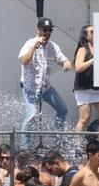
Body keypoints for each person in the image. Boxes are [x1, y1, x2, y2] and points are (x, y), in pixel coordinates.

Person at [18, 17, 72, 149]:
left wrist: (66, 64)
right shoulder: (30, 43)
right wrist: (35, 46)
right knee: (31, 115)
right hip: (30, 87)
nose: (48, 33)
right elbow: (24, 60)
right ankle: (24, 147)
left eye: (50, 30)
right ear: (39, 31)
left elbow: (64, 60)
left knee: (62, 109)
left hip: (45, 87)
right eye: (45, 30)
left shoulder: (53, 46)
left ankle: (58, 141)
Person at [74, 25, 99, 134]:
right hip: (84, 88)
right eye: (92, 32)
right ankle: (78, 145)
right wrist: (92, 60)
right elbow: (78, 68)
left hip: (98, 88)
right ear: (86, 36)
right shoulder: (83, 49)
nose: (95, 34)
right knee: (85, 118)